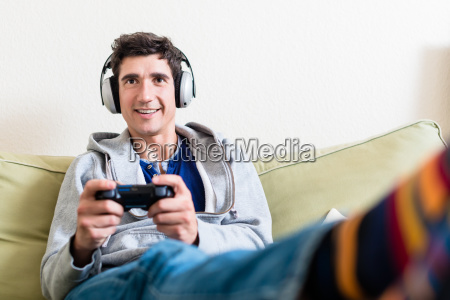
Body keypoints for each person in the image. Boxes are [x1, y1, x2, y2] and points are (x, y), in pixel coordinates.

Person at [41, 32, 450, 300]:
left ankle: (352, 247)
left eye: (158, 79)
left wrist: (194, 233)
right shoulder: (89, 168)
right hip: (111, 285)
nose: (144, 94)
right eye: (130, 81)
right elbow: (52, 286)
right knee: (163, 262)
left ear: (181, 90)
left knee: (186, 264)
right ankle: (363, 248)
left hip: (204, 278)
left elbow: (258, 244)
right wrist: (81, 245)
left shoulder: (228, 157)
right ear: (114, 95)